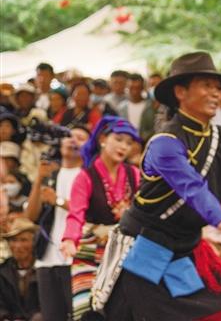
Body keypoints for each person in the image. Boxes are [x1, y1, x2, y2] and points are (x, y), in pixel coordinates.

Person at [95, 51, 221, 320]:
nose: (215, 93)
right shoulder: (164, 143)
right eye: (206, 85)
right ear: (180, 92)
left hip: (186, 248)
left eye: (217, 87)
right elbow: (192, 188)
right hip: (145, 248)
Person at [58, 116, 140, 320]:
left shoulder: (134, 174)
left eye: (129, 143)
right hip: (90, 252)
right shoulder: (85, 177)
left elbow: (144, 210)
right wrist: (69, 239)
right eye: (118, 139)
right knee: (86, 311)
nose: (123, 146)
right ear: (103, 139)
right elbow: (76, 214)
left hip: (124, 253)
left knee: (125, 311)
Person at [24, 126, 86, 321]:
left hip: (77, 258)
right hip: (47, 258)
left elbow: (89, 212)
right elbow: (31, 215)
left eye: (80, 137)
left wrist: (57, 200)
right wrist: (38, 179)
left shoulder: (88, 175)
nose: (72, 140)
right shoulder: (51, 175)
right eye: (68, 136)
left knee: (80, 316)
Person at [0, 217, 42, 321]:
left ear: (34, 242)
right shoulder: (3, 271)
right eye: (14, 240)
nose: (18, 246)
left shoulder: (44, 271)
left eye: (24, 240)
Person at [117, 73, 155, 141]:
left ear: (143, 88)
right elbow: (119, 125)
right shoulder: (121, 107)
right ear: (127, 87)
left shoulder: (151, 106)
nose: (135, 91)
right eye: (131, 88)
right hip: (126, 142)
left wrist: (141, 138)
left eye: (138, 88)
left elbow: (154, 127)